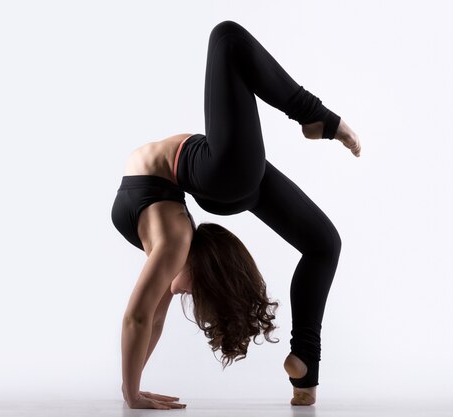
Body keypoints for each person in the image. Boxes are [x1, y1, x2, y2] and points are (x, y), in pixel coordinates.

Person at [111, 20, 361, 410]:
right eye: (202, 291)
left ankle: (305, 364)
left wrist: (133, 389)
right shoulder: (174, 242)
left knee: (324, 244)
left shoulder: (170, 243)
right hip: (222, 173)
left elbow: (148, 321)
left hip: (222, 176)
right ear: (207, 268)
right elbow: (139, 320)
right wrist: (131, 392)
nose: (190, 295)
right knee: (226, 39)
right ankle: (318, 118)